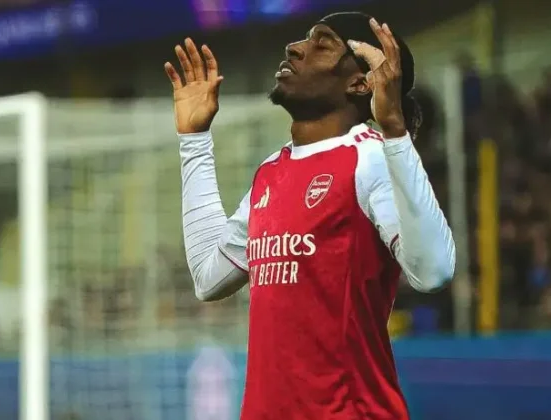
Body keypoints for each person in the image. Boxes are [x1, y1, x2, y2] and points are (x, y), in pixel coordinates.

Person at [165, 12, 456, 419]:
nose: (295, 48)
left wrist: (394, 132)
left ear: (360, 83)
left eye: (322, 44)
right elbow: (208, 278)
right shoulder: (271, 172)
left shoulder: (370, 158)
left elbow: (434, 271)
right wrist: (194, 141)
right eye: (304, 38)